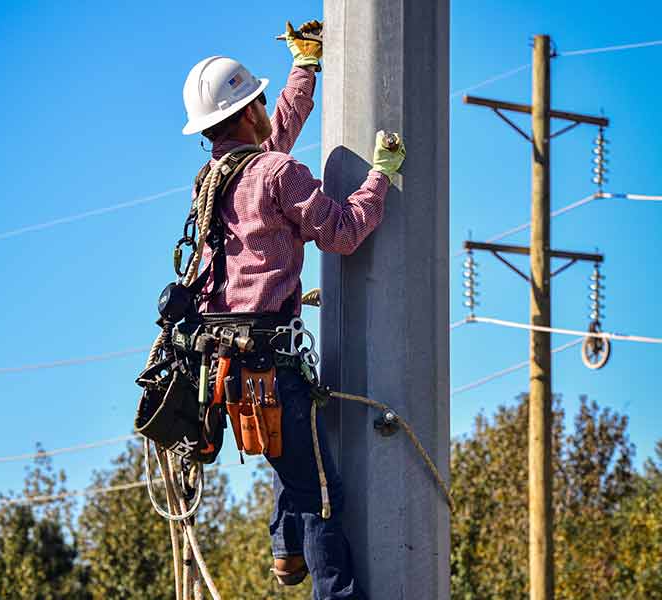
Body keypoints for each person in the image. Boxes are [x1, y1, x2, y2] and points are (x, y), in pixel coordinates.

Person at [180, 20, 405, 600]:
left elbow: (269, 144)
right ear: (250, 108)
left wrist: (305, 67)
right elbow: (345, 233)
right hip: (271, 369)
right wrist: (381, 178)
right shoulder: (276, 174)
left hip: (228, 369)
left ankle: (285, 552)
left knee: (294, 467)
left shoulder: (213, 179)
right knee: (322, 492)